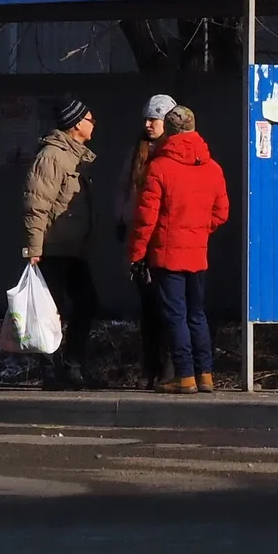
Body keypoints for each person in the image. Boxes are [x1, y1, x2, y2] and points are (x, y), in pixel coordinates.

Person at [127, 104, 230, 394]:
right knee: (197, 314)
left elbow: (146, 218)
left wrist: (136, 255)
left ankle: (184, 375)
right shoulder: (212, 168)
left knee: (175, 315)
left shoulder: (159, 167)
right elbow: (221, 213)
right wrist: (198, 231)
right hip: (198, 254)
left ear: (169, 132)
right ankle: (206, 374)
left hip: (167, 254)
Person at [22, 97, 98, 388]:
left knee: (87, 303)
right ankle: (51, 371)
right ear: (77, 124)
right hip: (53, 248)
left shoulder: (78, 155)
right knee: (51, 310)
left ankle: (72, 366)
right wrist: (34, 248)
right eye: (90, 119)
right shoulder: (52, 156)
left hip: (73, 249)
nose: (94, 124)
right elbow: (36, 203)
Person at [116, 93, 178, 389]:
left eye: (154, 118)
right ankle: (149, 366)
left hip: (162, 237)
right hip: (139, 234)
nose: (148, 124)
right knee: (148, 308)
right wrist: (121, 219)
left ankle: (168, 366)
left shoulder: (172, 152)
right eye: (146, 119)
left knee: (167, 305)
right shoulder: (138, 151)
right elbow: (126, 189)